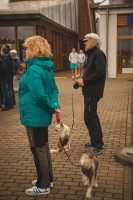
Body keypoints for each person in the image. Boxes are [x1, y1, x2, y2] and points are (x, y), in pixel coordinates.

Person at [18, 35, 60, 196]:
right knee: (43, 147)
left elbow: (40, 95)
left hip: (34, 115)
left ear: (34, 49)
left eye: (27, 48)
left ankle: (43, 185)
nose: (25, 50)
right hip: (39, 115)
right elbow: (54, 90)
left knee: (38, 149)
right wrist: (54, 106)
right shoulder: (45, 67)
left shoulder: (35, 69)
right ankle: (47, 179)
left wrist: (51, 107)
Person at [76, 33, 106, 155]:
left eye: (86, 41)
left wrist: (85, 80)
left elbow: (100, 72)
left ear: (93, 41)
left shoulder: (98, 54)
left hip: (93, 91)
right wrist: (79, 82)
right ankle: (97, 142)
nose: (84, 43)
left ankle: (97, 146)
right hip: (89, 90)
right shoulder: (92, 54)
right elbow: (91, 73)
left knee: (89, 117)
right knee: (92, 116)